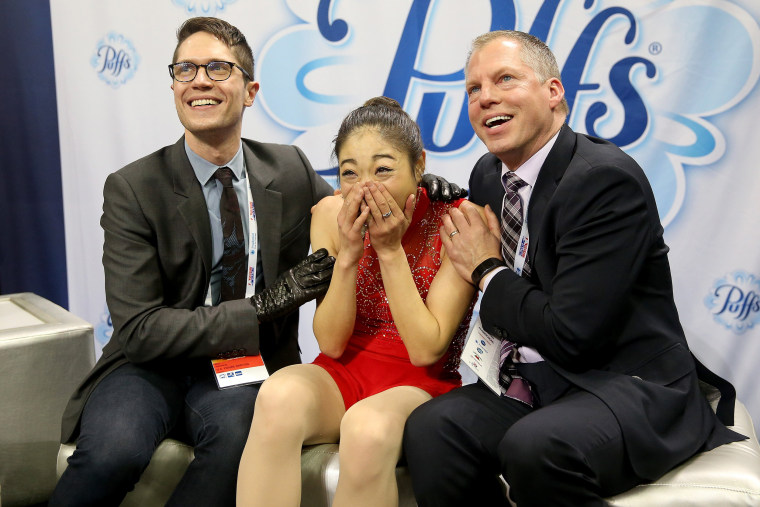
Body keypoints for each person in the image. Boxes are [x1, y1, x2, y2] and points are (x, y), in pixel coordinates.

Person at [50, 18, 461, 507]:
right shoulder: (134, 188)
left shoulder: (288, 169)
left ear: (249, 90)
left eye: (218, 68)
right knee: (113, 450)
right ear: (174, 85)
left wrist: (423, 183)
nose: (199, 80)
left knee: (237, 435)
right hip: (149, 366)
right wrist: (262, 306)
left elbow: (361, 199)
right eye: (185, 69)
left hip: (241, 367)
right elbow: (139, 330)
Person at [402, 30, 746, 507]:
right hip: (537, 380)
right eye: (474, 89)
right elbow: (515, 299)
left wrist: (485, 269)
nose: (487, 98)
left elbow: (572, 333)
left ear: (553, 92)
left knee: (536, 446)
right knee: (431, 428)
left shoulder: (603, 181)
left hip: (624, 382)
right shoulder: (487, 176)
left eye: (505, 79)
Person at [236, 96, 480, 506]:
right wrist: (348, 255)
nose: (366, 186)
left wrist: (388, 251)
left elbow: (426, 350)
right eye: (350, 173)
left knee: (366, 428)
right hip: (343, 371)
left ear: (419, 165)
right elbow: (330, 344)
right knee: (278, 395)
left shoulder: (457, 221)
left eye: (384, 169)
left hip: (419, 382)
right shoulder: (331, 214)